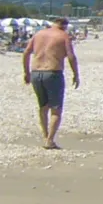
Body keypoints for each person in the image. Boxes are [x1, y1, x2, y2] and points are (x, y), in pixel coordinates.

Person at [23, 17, 81, 150]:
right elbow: (71, 56)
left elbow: (26, 53)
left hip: (36, 73)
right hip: (53, 72)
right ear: (64, 26)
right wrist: (76, 74)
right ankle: (49, 140)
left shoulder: (39, 34)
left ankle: (45, 136)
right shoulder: (63, 36)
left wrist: (26, 72)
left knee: (43, 107)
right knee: (56, 109)